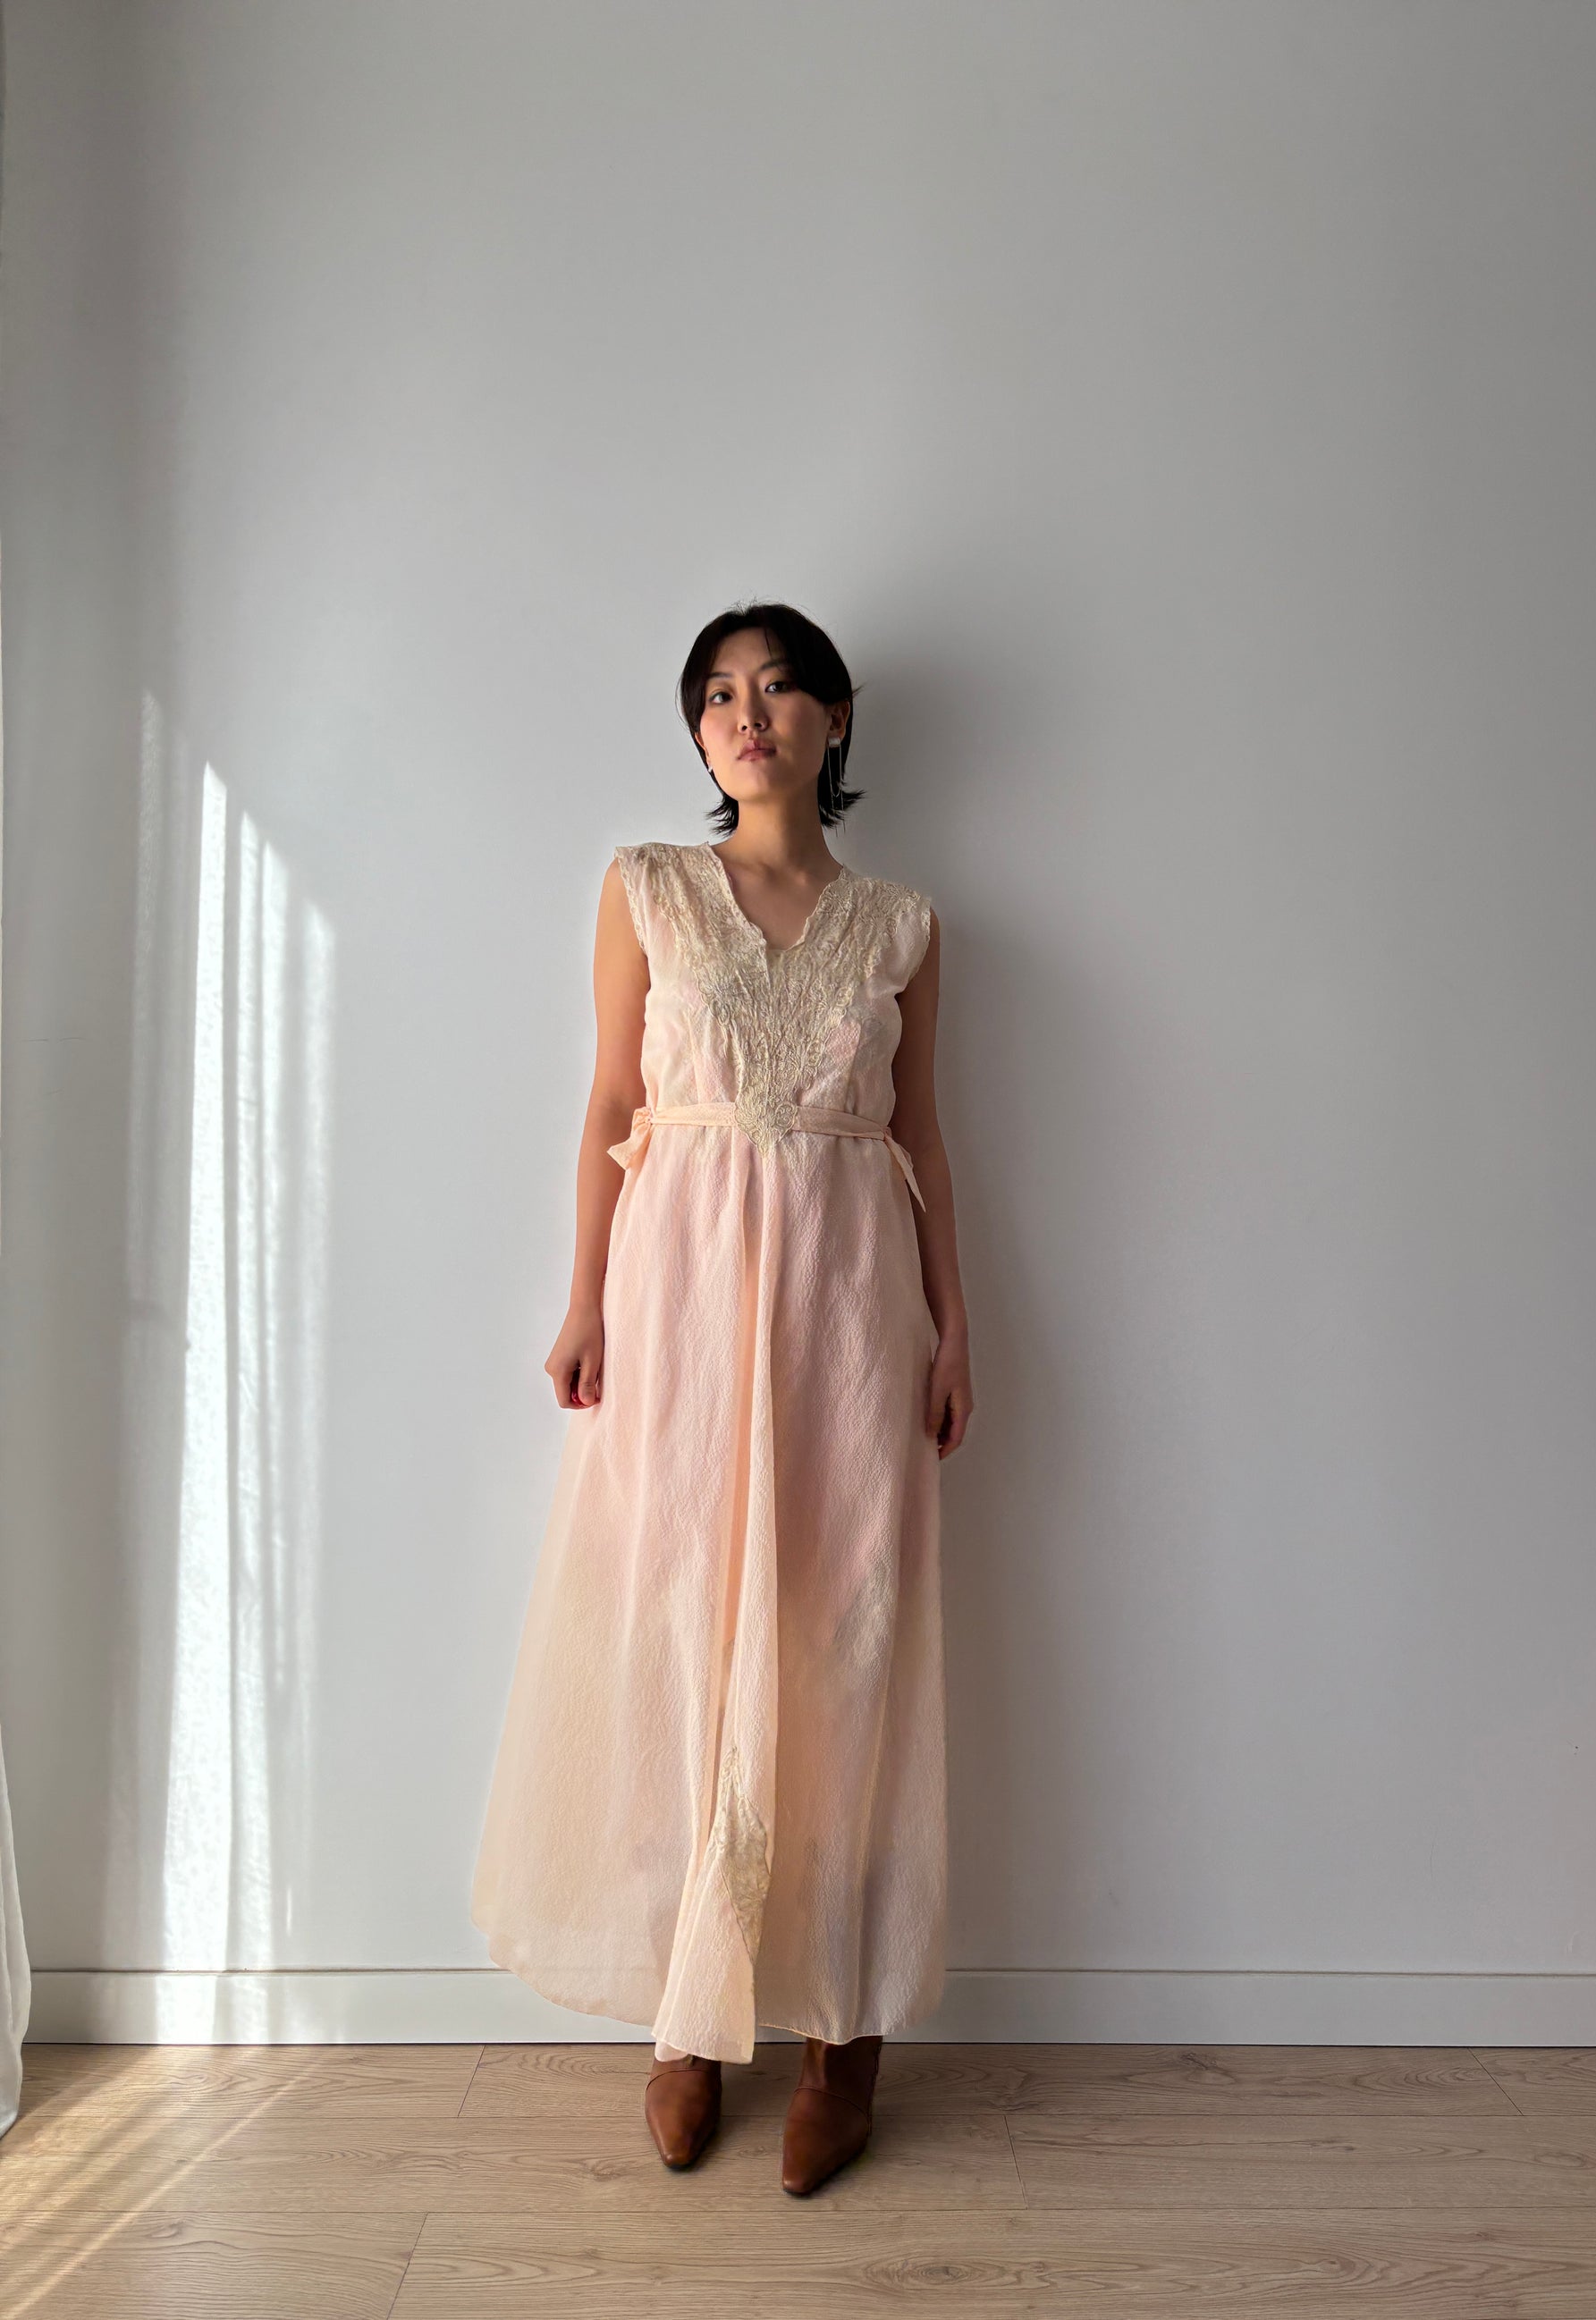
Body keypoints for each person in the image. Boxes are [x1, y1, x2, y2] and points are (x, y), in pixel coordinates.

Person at [471, 601, 973, 2196]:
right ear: (698, 734)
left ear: (834, 718)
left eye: (776, 688)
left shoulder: (902, 926)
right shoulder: (647, 890)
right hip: (680, 1305)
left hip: (850, 1310)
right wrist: (581, 1299)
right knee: (681, 1626)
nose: (745, 714)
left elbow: (922, 1136)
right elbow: (610, 1104)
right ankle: (689, 2012)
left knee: (846, 1640)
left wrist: (953, 1326)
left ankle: (843, 2032)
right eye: (715, 695)